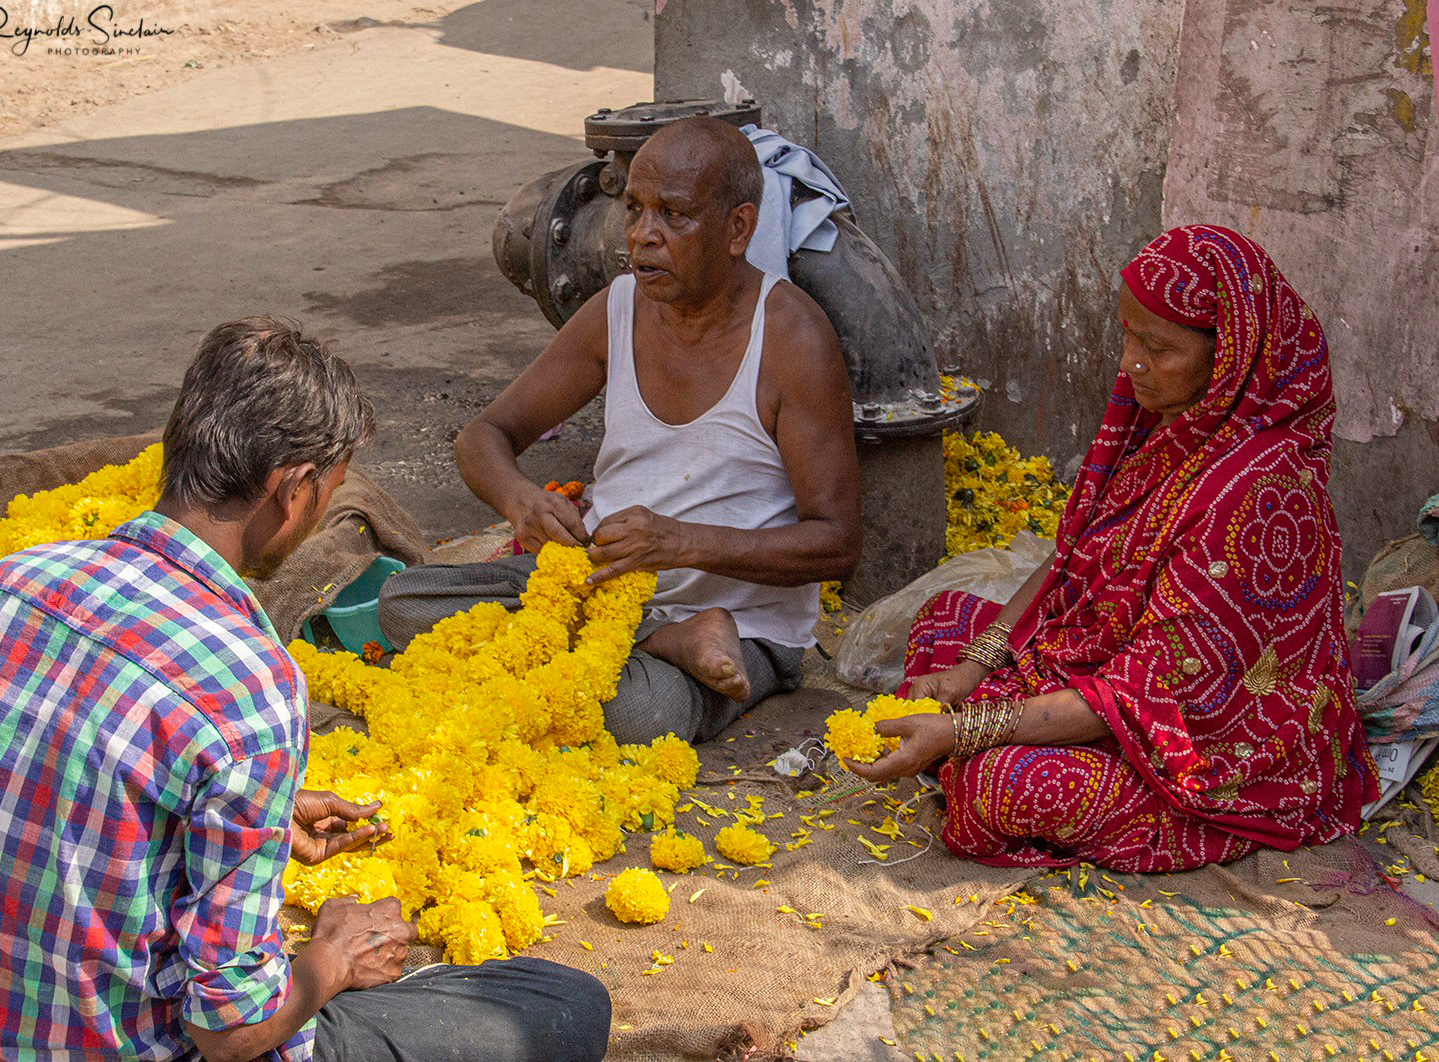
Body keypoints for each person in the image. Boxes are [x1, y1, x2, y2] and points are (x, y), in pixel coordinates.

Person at [0, 318, 611, 1062]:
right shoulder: (248, 682)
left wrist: (263, 808)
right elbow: (227, 1032)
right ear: (294, 491)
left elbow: (54, 774)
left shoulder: (15, 585)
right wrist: (330, 963)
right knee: (565, 1006)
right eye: (328, 493)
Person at [848, 226, 1379, 872]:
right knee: (944, 625)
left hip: (1198, 745)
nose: (1131, 363)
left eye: (1156, 347)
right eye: (1127, 337)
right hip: (1108, 667)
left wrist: (965, 728)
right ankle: (964, 742)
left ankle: (966, 757)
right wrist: (973, 669)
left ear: (1231, 356)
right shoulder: (1165, 417)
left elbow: (1140, 697)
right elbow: (1072, 553)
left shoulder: (1259, 495)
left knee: (999, 785)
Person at [379, 116, 863, 745]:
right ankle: (663, 643)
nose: (641, 237)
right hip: (597, 585)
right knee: (402, 604)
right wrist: (520, 501)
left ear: (738, 228)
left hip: (741, 625)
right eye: (634, 209)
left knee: (634, 716)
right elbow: (484, 436)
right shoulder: (617, 308)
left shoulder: (793, 338)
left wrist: (681, 543)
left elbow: (836, 544)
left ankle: (675, 641)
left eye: (673, 215)